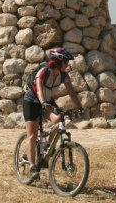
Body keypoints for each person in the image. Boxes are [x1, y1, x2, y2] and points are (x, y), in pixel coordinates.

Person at [23, 47, 82, 179]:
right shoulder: (44, 71)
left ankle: (47, 145)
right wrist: (43, 103)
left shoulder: (63, 76)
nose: (67, 65)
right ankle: (32, 167)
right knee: (32, 135)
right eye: (66, 63)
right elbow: (38, 88)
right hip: (32, 101)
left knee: (59, 120)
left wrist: (79, 106)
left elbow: (71, 92)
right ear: (58, 62)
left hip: (47, 101)